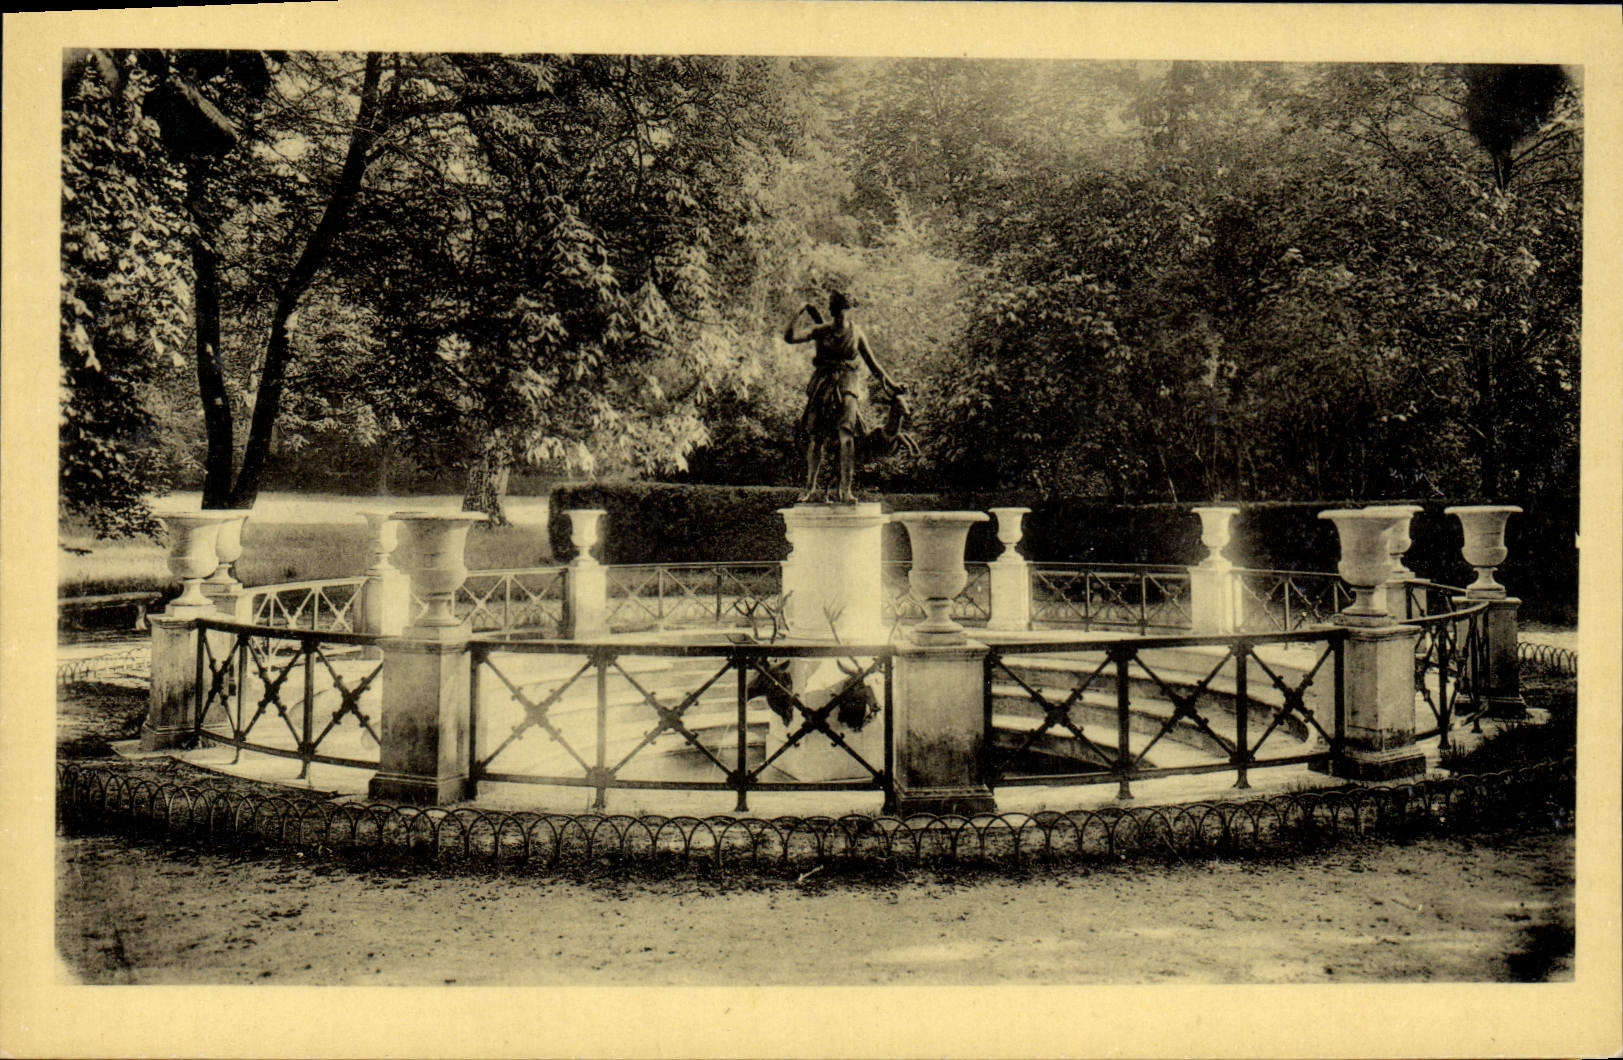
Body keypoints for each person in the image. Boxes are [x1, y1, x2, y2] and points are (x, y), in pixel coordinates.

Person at [783, 291, 901, 504]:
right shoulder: (821, 330)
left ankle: (845, 491)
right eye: (836, 310)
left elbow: (874, 365)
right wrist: (799, 310)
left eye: (843, 310)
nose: (839, 314)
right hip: (823, 385)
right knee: (816, 438)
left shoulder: (856, 333)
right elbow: (790, 338)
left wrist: (892, 385)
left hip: (848, 385)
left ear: (848, 310)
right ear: (832, 310)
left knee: (847, 436)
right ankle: (810, 488)